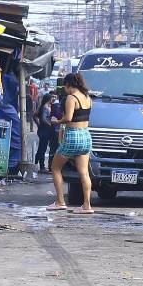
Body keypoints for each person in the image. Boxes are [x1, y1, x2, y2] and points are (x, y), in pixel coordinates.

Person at [48, 73, 94, 213]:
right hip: (86, 136)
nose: (65, 90)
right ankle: (87, 206)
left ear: (68, 85)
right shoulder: (87, 97)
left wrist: (57, 121)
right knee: (84, 173)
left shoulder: (71, 97)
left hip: (72, 136)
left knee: (55, 168)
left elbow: (68, 118)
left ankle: (60, 202)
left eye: (65, 87)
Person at [34, 92, 58, 173]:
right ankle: (41, 166)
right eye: (52, 98)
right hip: (45, 130)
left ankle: (37, 162)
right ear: (48, 99)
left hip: (44, 129)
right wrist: (50, 124)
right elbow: (44, 119)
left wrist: (39, 124)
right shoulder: (45, 107)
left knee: (42, 147)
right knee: (43, 148)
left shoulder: (46, 106)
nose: (53, 99)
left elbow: (35, 116)